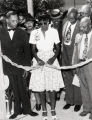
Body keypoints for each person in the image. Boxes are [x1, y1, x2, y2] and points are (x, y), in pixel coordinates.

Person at [0, 10, 38, 119]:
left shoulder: (22, 33)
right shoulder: (1, 32)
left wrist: (27, 68)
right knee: (14, 90)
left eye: (17, 20)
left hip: (21, 66)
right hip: (8, 66)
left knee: (23, 89)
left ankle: (28, 109)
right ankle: (16, 111)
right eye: (13, 21)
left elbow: (27, 51)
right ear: (7, 20)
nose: (15, 22)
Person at [29, 12, 64, 120]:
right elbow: (33, 49)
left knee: (52, 88)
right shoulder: (34, 32)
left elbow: (58, 47)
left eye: (45, 23)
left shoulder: (53, 31)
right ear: (38, 23)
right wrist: (37, 59)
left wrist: (53, 58)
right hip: (39, 59)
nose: (43, 25)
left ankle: (53, 109)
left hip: (51, 58)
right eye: (41, 23)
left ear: (49, 22)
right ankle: (44, 109)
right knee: (41, 88)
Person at [62, 8, 82, 112]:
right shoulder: (65, 23)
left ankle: (78, 102)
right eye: (69, 18)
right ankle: (69, 101)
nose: (71, 20)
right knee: (67, 78)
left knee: (76, 78)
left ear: (77, 16)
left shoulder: (80, 26)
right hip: (65, 54)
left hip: (75, 55)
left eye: (73, 18)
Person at [72, 17, 92, 119]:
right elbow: (75, 51)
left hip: (90, 65)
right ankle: (86, 109)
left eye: (84, 27)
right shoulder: (78, 35)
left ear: (90, 26)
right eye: (81, 27)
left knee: (91, 88)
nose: (82, 29)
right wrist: (74, 65)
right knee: (83, 88)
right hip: (80, 64)